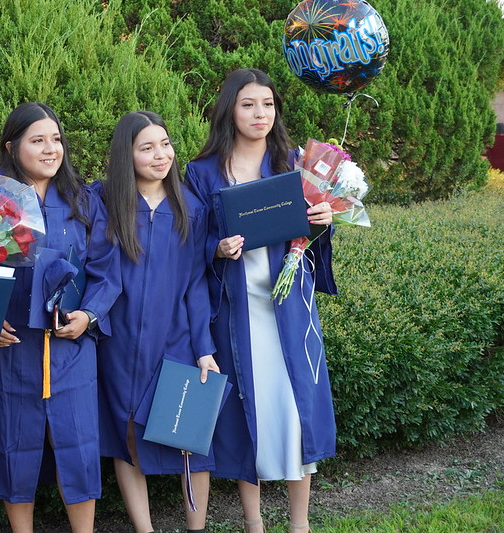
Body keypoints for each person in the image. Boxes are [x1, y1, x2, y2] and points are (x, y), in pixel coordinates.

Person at [0, 102, 121, 533]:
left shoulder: (83, 201)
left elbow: (108, 271)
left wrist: (88, 315)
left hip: (69, 346)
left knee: (77, 444)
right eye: (37, 140)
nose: (51, 149)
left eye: (56, 139)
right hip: (9, 346)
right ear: (12, 147)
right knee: (14, 444)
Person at [185, 68, 338, 533]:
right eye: (249, 103)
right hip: (237, 312)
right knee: (250, 411)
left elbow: (312, 243)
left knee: (295, 412)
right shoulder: (202, 172)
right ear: (230, 108)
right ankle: (254, 523)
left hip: (288, 310)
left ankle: (299, 524)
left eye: (268, 104)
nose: (260, 113)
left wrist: (323, 221)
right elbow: (190, 246)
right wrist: (217, 248)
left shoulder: (295, 164)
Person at [95, 111, 219, 533]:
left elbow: (196, 285)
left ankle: (196, 527)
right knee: (126, 435)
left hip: (176, 338)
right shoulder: (104, 202)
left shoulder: (191, 207)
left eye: (165, 144)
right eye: (146, 147)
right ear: (126, 154)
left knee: (189, 437)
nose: (160, 155)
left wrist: (204, 348)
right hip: (120, 342)